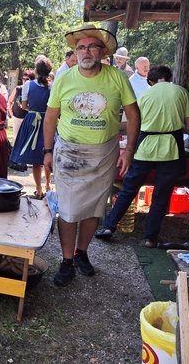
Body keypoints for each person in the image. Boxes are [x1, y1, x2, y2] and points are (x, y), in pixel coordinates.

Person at [43, 25, 140, 286]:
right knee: (68, 209)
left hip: (104, 153)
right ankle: (66, 261)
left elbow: (133, 115)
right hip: (69, 152)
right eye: (81, 47)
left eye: (91, 46)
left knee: (94, 208)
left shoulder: (117, 77)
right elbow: (50, 117)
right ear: (75, 53)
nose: (85, 51)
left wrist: (128, 150)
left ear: (102, 52)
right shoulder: (63, 78)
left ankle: (81, 252)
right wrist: (47, 150)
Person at [95, 65, 189, 247]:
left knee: (128, 189)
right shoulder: (181, 92)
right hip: (170, 149)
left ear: (150, 82)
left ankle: (109, 226)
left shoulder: (144, 96)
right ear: (170, 78)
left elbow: (132, 123)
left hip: (145, 148)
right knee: (161, 196)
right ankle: (150, 238)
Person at [11, 56, 53, 198]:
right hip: (48, 121)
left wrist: (34, 109)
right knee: (48, 154)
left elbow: (23, 106)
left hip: (32, 120)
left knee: (36, 159)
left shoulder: (28, 85)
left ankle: (38, 188)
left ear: (36, 70)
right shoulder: (52, 86)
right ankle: (47, 184)